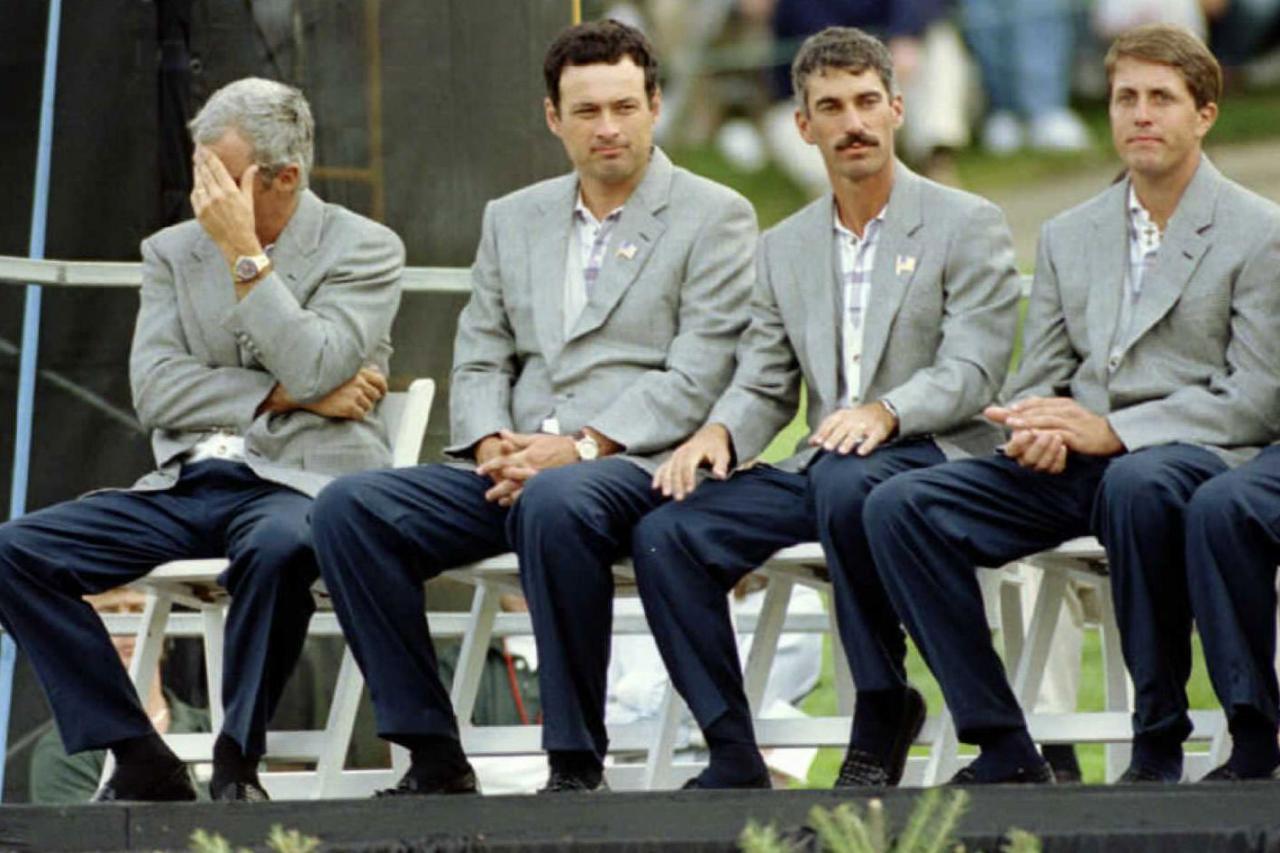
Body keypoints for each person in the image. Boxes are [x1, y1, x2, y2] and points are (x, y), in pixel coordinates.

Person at [310, 18, 757, 796]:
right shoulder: (511, 216)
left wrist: (581, 447)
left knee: (556, 498)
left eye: (624, 106)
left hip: (641, 463)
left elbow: (699, 372)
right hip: (517, 466)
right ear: (554, 118)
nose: (608, 128)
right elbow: (480, 349)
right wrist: (488, 442)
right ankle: (432, 751)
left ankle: (574, 760)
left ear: (655, 104)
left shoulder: (714, 214)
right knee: (350, 508)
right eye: (586, 112)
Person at [862, 24, 1280, 784]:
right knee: (899, 507)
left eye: (1161, 98)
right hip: (1081, 462)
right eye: (1126, 98)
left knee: (1138, 482)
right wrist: (1034, 426)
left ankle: (1157, 735)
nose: (1140, 114)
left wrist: (1116, 430)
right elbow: (1044, 372)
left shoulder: (1258, 231)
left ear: (1206, 114)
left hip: (1195, 455)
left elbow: (1254, 398)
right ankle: (1002, 743)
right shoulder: (1068, 233)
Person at [630, 26, 1020, 790]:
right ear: (803, 126)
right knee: (666, 530)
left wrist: (886, 411)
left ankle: (883, 700)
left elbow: (974, 369)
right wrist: (720, 430)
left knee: (846, 475)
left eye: (869, 102)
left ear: (898, 108)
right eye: (832, 107)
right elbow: (767, 381)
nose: (854, 123)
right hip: (825, 464)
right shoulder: (783, 246)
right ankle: (732, 751)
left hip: (933, 454)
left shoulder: (966, 222)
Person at [0, 77, 404, 802]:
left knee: (277, 548)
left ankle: (237, 764)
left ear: (284, 177)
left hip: (303, 486)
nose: (205, 193)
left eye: (222, 175)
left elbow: (317, 356)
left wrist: (247, 257)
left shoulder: (365, 248)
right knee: (16, 551)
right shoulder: (172, 252)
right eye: (200, 171)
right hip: (190, 483)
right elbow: (156, 389)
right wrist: (286, 393)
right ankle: (138, 753)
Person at [28, 590, 211, 804]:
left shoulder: (214, 725)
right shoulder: (63, 749)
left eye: (140, 610)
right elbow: (79, 834)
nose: (130, 626)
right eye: (109, 613)